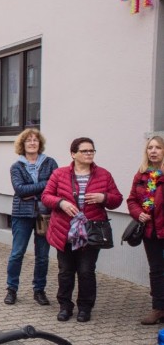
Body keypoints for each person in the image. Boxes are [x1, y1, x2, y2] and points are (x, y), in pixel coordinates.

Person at [42, 137, 122, 323]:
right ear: (73, 154)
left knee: (86, 271)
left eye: (91, 151)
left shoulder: (104, 175)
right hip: (64, 231)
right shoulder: (60, 174)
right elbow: (46, 196)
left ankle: (85, 308)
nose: (89, 154)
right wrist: (61, 203)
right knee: (65, 271)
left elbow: (117, 199)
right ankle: (65, 306)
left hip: (91, 231)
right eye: (85, 151)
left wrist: (104, 197)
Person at [5, 129, 58, 306]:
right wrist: (43, 188)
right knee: (17, 253)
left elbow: (55, 185)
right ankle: (11, 289)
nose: (32, 143)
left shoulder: (50, 163)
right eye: (28, 140)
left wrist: (32, 191)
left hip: (45, 214)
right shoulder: (16, 166)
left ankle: (39, 290)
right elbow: (20, 190)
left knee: (42, 255)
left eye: (35, 140)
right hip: (22, 214)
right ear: (23, 144)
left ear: (39, 143)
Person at [126, 136, 164, 325]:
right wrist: (138, 213)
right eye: (150, 147)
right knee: (156, 270)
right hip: (151, 232)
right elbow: (132, 200)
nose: (153, 151)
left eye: (158, 147)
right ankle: (158, 308)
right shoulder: (141, 175)